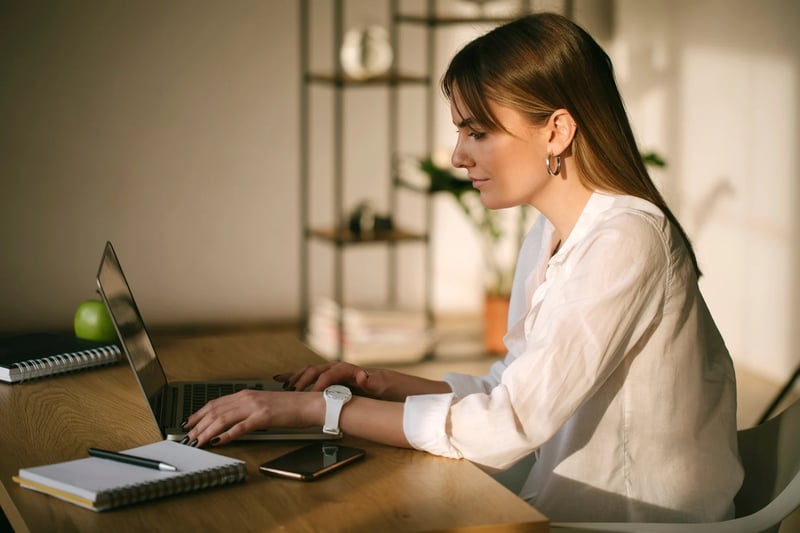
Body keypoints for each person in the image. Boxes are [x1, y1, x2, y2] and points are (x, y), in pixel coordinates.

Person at [183, 12, 743, 523]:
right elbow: (511, 386)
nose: (457, 156)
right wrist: (379, 384)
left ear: (557, 130)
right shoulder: (550, 231)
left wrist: (321, 409)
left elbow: (506, 426)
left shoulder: (627, 238)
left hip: (632, 519)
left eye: (477, 132)